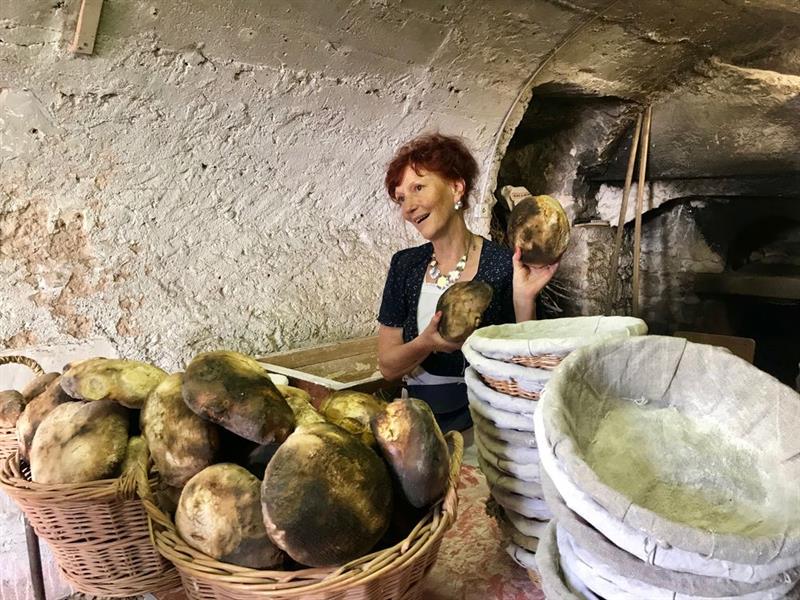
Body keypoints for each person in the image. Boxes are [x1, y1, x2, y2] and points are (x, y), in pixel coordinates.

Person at [377, 133, 558, 432]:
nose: (407, 207)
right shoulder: (405, 265)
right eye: (401, 198)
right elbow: (388, 366)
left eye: (418, 187)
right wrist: (426, 343)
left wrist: (525, 299)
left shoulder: (503, 264)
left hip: (489, 422)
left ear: (456, 187)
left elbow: (524, 367)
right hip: (418, 425)